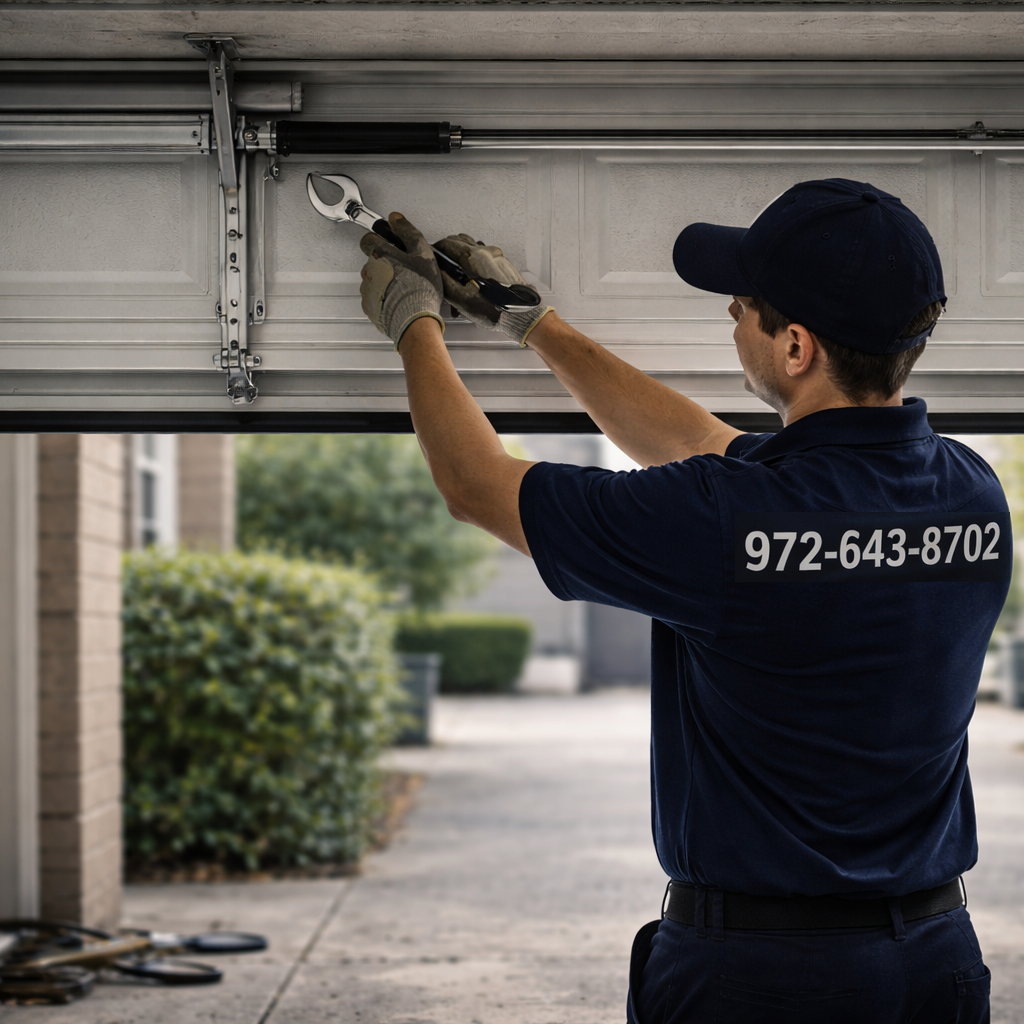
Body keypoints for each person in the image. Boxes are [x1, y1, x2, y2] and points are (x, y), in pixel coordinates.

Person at [357, 178, 1010, 1023]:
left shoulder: (721, 522)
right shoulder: (969, 494)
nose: (731, 315)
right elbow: (706, 443)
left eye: (743, 305)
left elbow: (477, 486)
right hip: (935, 966)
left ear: (797, 347)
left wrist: (415, 322)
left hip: (761, 983)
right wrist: (535, 324)